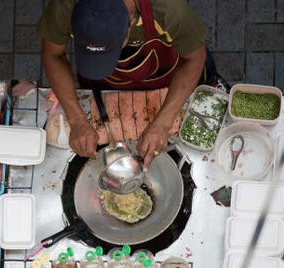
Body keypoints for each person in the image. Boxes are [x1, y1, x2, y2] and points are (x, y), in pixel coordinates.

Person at [39, 0, 222, 169]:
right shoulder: (64, 6)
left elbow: (194, 58)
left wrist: (163, 123)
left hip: (168, 76)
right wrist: (77, 119)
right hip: (108, 83)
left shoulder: (168, 9)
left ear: (131, 22)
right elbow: (53, 54)